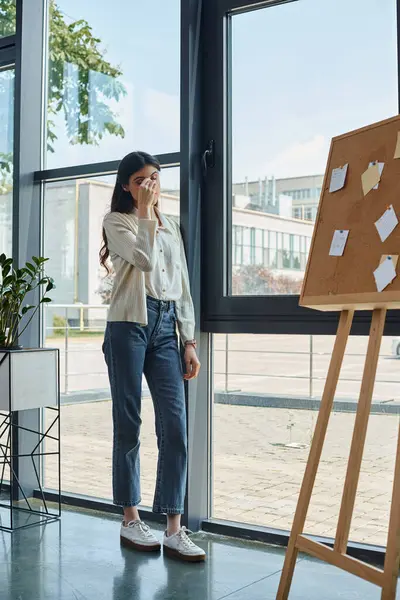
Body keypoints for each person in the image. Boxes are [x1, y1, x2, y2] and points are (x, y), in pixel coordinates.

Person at [100, 151, 205, 563]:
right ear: (127, 184)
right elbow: (142, 260)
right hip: (128, 326)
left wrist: (189, 339)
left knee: (175, 426)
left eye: (156, 178)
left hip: (165, 329)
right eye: (141, 180)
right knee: (128, 423)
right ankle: (130, 519)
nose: (151, 186)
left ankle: (174, 528)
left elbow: (181, 283)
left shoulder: (171, 226)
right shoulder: (117, 222)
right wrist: (145, 213)